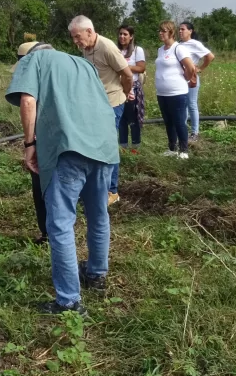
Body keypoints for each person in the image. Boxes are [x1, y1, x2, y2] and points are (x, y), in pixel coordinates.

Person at [5, 44, 119, 315]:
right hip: (103, 145)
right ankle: (96, 273)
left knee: (59, 223)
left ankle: (69, 301)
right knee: (98, 213)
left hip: (68, 148)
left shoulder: (35, 59)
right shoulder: (83, 63)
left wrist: (30, 144)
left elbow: (28, 100)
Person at [68, 15, 133, 205]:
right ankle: (96, 187)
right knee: (95, 145)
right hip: (95, 103)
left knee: (109, 146)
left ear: (89, 31)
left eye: (77, 36)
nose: (75, 41)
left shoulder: (107, 47)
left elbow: (127, 74)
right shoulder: (86, 48)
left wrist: (124, 93)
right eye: (73, 37)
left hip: (112, 103)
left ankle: (111, 191)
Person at [14, 41, 53, 245]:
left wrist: (30, 144)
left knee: (43, 186)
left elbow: (28, 102)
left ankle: (50, 233)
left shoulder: (38, 77)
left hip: (46, 140)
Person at [154, 21, 198, 159]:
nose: (160, 33)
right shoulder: (160, 50)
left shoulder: (178, 49)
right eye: (159, 31)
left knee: (179, 121)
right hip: (162, 93)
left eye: (163, 31)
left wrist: (186, 78)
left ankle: (184, 150)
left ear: (171, 33)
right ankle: (172, 148)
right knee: (168, 121)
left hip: (177, 93)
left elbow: (190, 67)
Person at [177, 21, 215, 141]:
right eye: (179, 29)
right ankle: (183, 131)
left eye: (183, 29)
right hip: (180, 78)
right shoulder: (178, 45)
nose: (180, 31)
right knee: (183, 105)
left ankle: (195, 132)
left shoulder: (194, 44)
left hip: (191, 78)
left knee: (192, 104)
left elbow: (210, 56)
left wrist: (200, 68)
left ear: (190, 31)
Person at [117, 24, 146, 153]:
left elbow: (141, 68)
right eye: (120, 34)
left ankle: (135, 148)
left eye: (125, 34)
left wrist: (124, 67)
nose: (122, 37)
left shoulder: (137, 50)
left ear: (131, 36)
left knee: (133, 118)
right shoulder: (115, 50)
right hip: (118, 88)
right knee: (121, 118)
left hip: (132, 87)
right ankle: (123, 147)